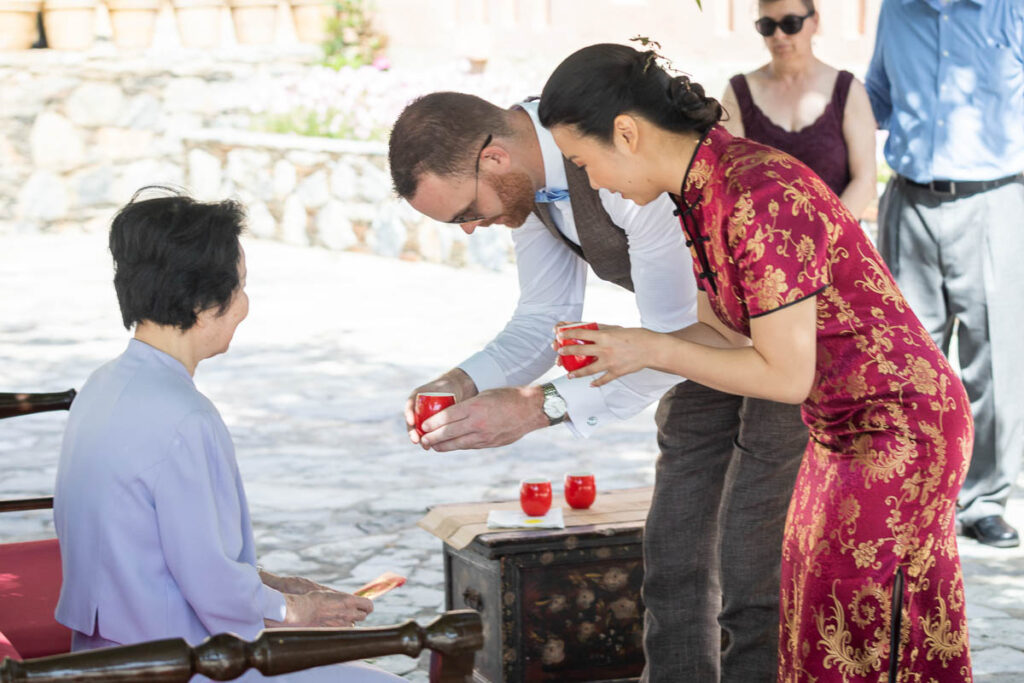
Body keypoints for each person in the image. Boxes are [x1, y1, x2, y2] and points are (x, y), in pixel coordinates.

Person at [538, 43, 973, 681]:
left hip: (899, 426)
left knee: (851, 631)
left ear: (626, 133)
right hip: (842, 428)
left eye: (584, 161)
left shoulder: (757, 193)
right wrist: (627, 348)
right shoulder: (702, 191)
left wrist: (653, 347)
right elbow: (722, 334)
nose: (594, 182)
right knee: (814, 616)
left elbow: (785, 376)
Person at [388, 92, 808, 682]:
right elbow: (545, 316)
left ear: (494, 158)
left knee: (751, 566)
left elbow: (674, 338)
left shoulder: (609, 154)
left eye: (466, 212)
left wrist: (542, 406)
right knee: (674, 552)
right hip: (698, 343)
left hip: (777, 349)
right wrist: (462, 380)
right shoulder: (525, 180)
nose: (474, 229)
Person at [53, 189, 401, 682]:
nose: (244, 306)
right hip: (179, 661)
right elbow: (209, 582)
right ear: (202, 301)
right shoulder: (186, 418)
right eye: (239, 288)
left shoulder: (101, 385)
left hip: (105, 651)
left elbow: (155, 551)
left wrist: (277, 586)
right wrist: (297, 610)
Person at [865, 0, 1024, 549]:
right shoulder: (896, 10)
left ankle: (983, 501)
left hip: (993, 200)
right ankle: (913, 493)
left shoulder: (1011, 10)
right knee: (904, 357)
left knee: (995, 360)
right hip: (908, 200)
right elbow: (877, 97)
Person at [720, 0, 877, 218]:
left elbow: (865, 181)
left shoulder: (848, 90)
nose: (779, 35)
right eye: (767, 26)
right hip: (760, 235)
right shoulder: (738, 93)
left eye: (790, 23)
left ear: (814, 21)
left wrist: (825, 233)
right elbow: (727, 178)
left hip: (836, 234)